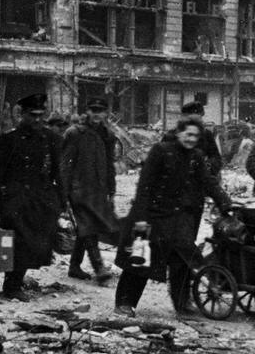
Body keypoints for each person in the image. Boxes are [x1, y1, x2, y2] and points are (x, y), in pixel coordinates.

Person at [115, 119, 233, 316]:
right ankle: (124, 303)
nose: (191, 139)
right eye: (188, 134)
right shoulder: (160, 151)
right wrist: (142, 219)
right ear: (178, 133)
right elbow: (145, 185)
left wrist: (225, 203)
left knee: (183, 259)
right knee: (140, 259)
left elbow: (208, 182)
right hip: (150, 216)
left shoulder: (196, 156)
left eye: (195, 136)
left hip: (176, 218)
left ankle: (182, 303)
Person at [0, 94, 64, 302]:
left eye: (41, 115)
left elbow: (59, 173)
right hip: (16, 201)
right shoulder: (8, 140)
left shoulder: (52, 139)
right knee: (18, 243)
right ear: (22, 115)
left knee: (37, 244)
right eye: (33, 115)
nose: (38, 120)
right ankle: (11, 286)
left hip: (42, 201)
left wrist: (63, 205)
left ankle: (18, 280)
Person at [60, 98, 122, 284]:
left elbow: (110, 165)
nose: (96, 114)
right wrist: (63, 193)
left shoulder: (108, 135)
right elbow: (65, 165)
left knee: (87, 226)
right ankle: (99, 268)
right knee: (88, 225)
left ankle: (74, 266)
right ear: (86, 111)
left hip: (98, 189)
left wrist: (111, 190)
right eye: (92, 110)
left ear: (106, 113)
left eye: (100, 110)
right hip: (78, 189)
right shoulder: (74, 133)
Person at [162, 101, 222, 177]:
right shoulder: (171, 135)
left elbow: (216, 157)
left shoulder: (206, 134)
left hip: (200, 177)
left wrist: (208, 166)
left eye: (199, 118)